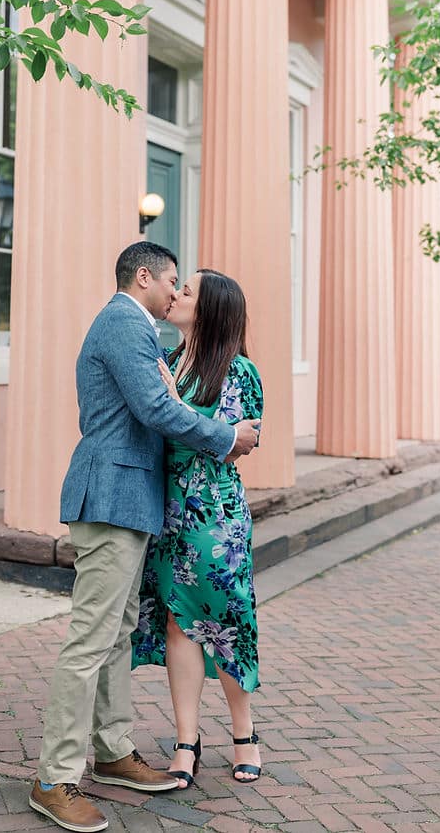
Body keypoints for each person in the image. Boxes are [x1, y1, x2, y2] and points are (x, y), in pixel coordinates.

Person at [29, 243, 261, 833]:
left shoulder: (150, 338)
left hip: (133, 502)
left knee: (117, 635)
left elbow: (166, 402)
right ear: (144, 277)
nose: (176, 292)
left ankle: (110, 752)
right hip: (111, 496)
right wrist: (226, 435)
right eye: (173, 281)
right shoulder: (124, 325)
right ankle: (55, 778)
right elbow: (157, 409)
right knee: (91, 639)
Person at [132, 269, 263, 790]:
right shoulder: (165, 362)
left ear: (208, 310)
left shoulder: (239, 371)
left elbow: (237, 443)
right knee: (177, 625)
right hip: (167, 514)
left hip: (216, 517)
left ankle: (244, 734)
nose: (176, 295)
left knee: (227, 621)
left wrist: (175, 407)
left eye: (187, 291)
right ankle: (187, 740)